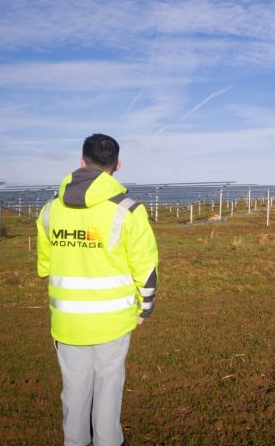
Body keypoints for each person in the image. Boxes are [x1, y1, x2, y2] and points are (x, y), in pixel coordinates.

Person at [37, 133, 158, 446]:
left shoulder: (50, 209)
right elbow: (145, 267)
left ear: (81, 162)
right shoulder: (129, 209)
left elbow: (45, 266)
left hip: (67, 321)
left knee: (74, 389)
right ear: (117, 165)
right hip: (113, 320)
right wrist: (145, 307)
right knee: (108, 385)